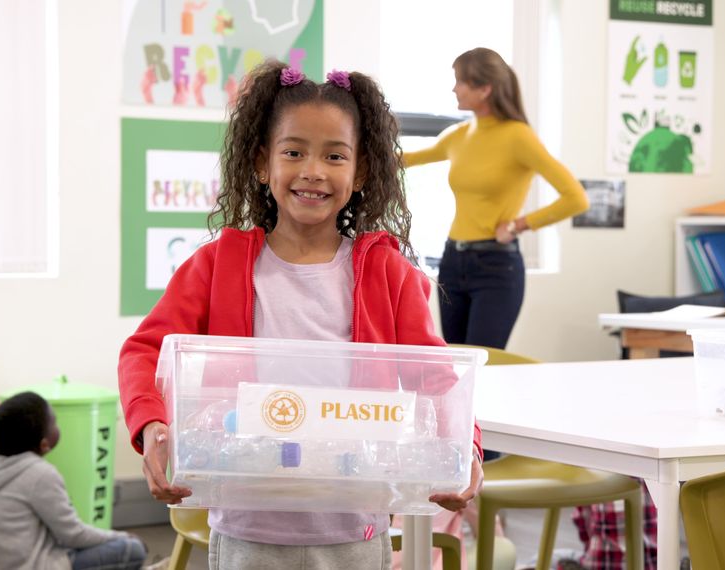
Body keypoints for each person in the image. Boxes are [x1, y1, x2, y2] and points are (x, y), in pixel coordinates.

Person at [118, 60, 484, 570]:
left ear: (361, 174)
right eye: (294, 152)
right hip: (248, 523)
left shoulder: (387, 272)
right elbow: (144, 349)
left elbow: (439, 379)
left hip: (353, 524)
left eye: (335, 156)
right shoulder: (217, 264)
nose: (313, 170)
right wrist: (152, 425)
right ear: (261, 164)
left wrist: (465, 446)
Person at [402, 47, 589, 350]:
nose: (454, 88)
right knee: (455, 363)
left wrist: (521, 224)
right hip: (452, 261)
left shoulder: (518, 136)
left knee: (485, 363)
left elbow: (576, 198)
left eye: (461, 81)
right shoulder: (459, 135)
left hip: (496, 266)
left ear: (485, 89)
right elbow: (405, 159)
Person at [0, 392, 146, 570]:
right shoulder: (39, 474)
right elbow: (73, 535)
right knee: (132, 549)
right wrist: (122, 536)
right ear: (44, 443)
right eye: (54, 422)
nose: (57, 426)